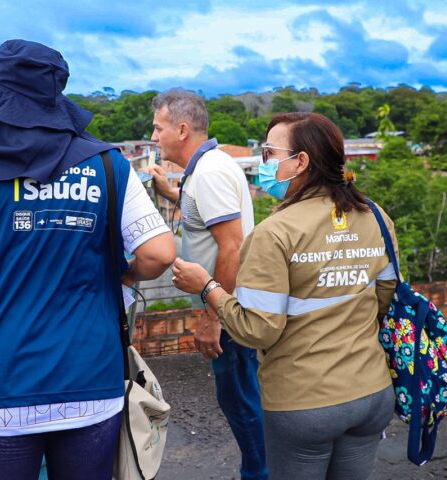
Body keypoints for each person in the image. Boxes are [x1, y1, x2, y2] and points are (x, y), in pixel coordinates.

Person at [0, 39, 176, 480]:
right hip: (92, 380)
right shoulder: (108, 165)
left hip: (1, 387)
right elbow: (160, 252)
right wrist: (119, 273)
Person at [171, 112, 398, 480]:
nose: (263, 164)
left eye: (269, 153)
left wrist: (207, 286)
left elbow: (258, 330)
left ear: (301, 162)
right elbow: (385, 298)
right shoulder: (374, 215)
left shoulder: (274, 232)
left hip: (305, 403)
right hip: (372, 394)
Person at [143, 89, 267, 480]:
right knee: (239, 394)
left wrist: (214, 316)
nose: (153, 136)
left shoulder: (210, 172)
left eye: (158, 128)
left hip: (227, 307)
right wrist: (171, 193)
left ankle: (260, 473)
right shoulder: (208, 167)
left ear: (181, 129)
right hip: (226, 302)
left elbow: (232, 245)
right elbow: (207, 218)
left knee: (240, 399)